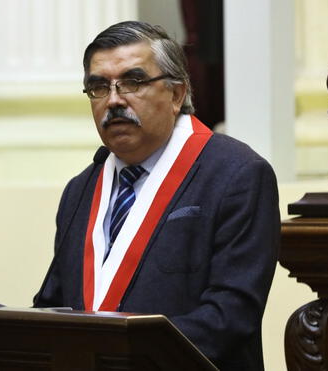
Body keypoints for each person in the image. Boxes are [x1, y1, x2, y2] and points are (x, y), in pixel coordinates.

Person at [34, 21, 279, 370]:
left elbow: (230, 317)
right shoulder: (81, 189)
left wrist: (115, 355)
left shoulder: (237, 174)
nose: (114, 99)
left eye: (133, 82)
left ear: (176, 94)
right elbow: (53, 303)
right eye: (99, 86)